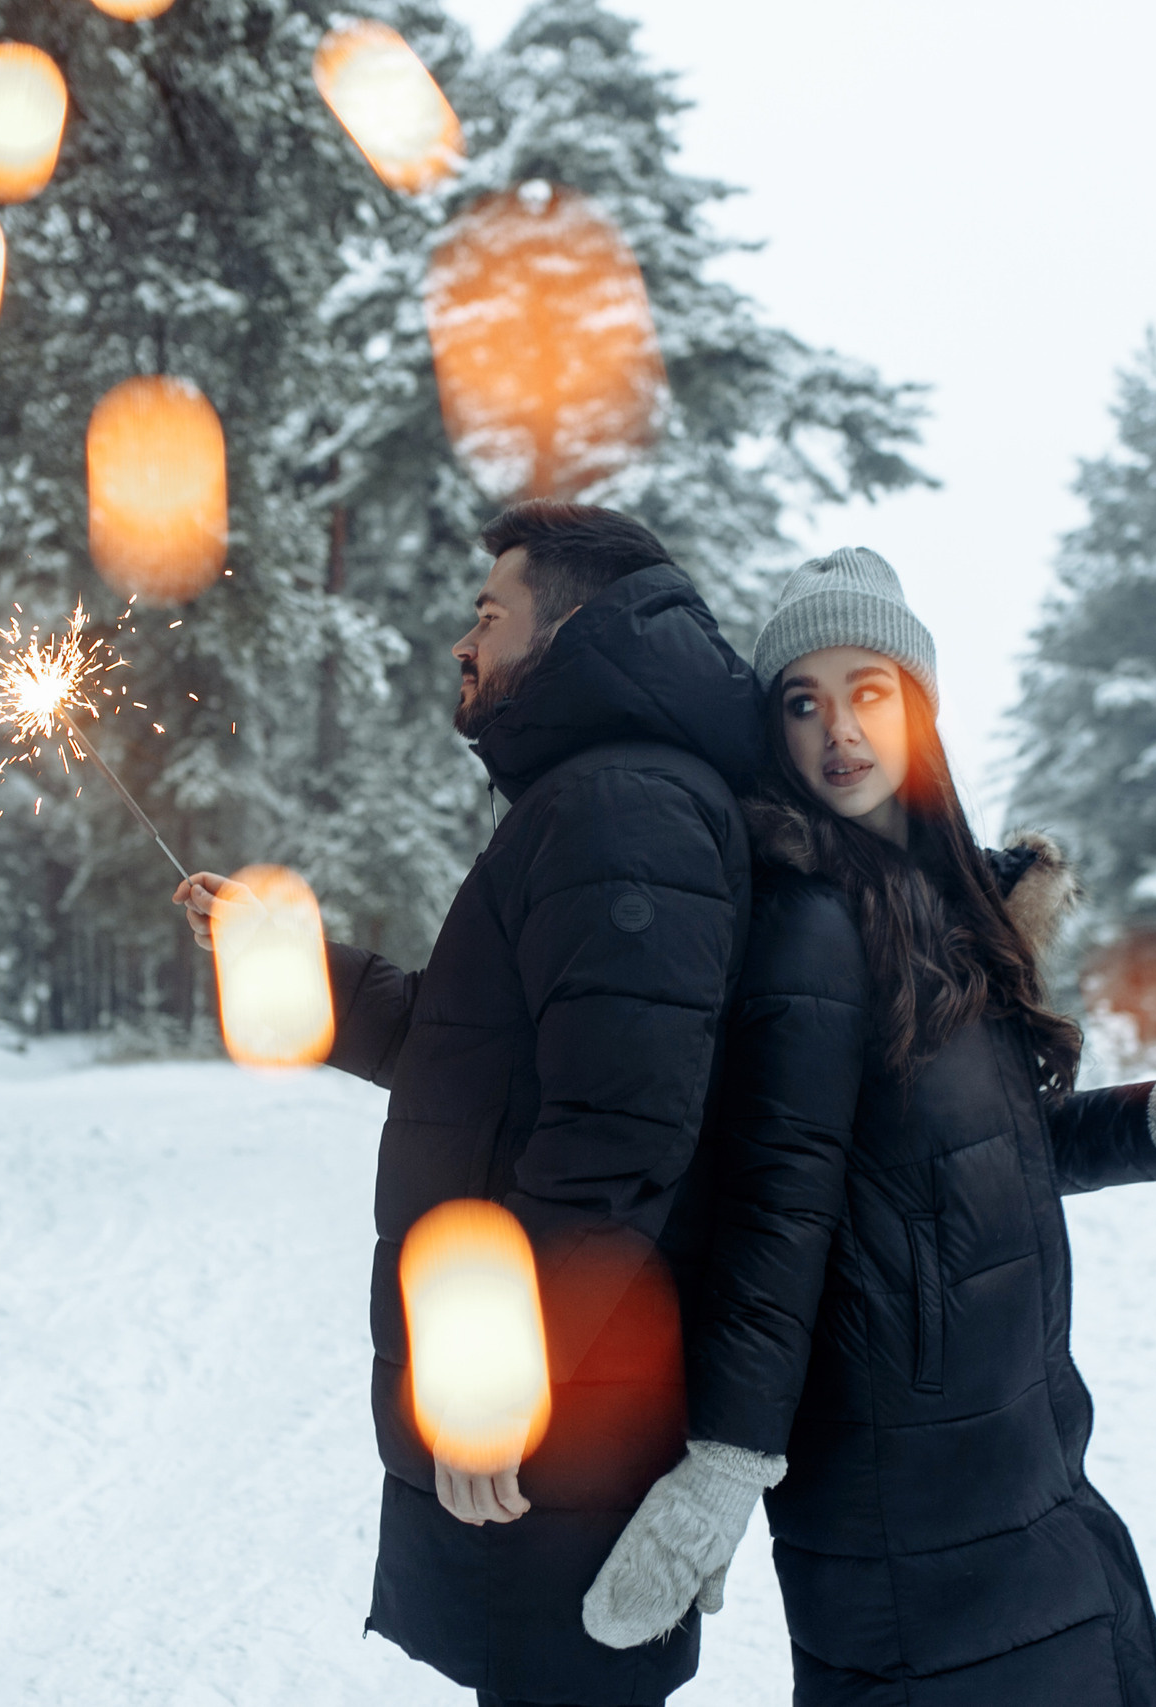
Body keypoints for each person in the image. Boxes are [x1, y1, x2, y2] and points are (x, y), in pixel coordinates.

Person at [578, 547, 1156, 1704]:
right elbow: (778, 1209)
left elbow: (986, 1155)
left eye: (867, 692)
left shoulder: (946, 908)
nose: (838, 731)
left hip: (1022, 1454)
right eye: (801, 702)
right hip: (906, 1497)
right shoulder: (804, 923)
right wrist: (726, 1459)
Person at [175, 502, 762, 1707]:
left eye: (489, 615)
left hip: (568, 1425)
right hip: (567, 1423)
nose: (463, 641)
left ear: (574, 630)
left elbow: (616, 1138)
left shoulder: (622, 813)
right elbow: (478, 1057)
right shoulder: (593, 804)